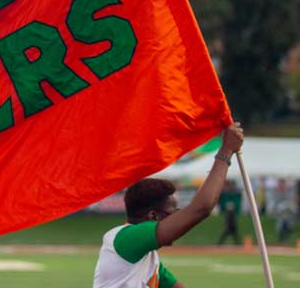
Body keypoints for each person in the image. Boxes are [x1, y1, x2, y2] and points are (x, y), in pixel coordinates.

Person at [93, 122, 244, 288]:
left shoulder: (149, 259)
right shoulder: (126, 239)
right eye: (173, 211)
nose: (179, 216)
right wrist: (225, 152)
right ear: (153, 216)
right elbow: (201, 209)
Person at [217, 180, 242, 245]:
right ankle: (221, 243)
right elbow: (221, 202)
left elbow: (237, 202)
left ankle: (236, 243)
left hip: (232, 213)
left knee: (232, 229)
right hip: (228, 213)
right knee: (228, 228)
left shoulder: (235, 193)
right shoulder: (224, 194)